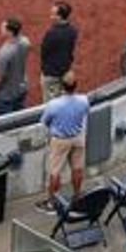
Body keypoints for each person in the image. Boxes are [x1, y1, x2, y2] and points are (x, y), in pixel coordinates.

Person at [38, 72, 90, 210]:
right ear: (75, 85)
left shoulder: (54, 104)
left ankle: (52, 202)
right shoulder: (84, 100)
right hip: (78, 138)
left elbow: (44, 121)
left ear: (62, 86)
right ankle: (77, 195)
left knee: (55, 172)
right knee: (77, 168)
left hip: (60, 140)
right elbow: (85, 113)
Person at [0, 16, 31, 114]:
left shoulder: (4, 53)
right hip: (21, 88)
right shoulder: (25, 42)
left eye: (3, 28)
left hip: (6, 96)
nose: (1, 29)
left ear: (10, 32)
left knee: (5, 126)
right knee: (20, 119)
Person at [40, 2, 78, 100]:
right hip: (65, 71)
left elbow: (44, 52)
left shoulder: (51, 33)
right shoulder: (72, 30)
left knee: (50, 103)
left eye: (53, 14)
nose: (51, 17)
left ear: (60, 17)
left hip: (51, 74)